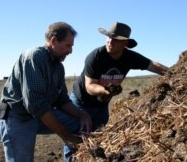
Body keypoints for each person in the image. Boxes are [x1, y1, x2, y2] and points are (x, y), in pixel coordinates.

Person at [65, 22, 169, 159]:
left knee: (97, 139)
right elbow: (90, 86)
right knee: (75, 138)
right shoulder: (96, 56)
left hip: (101, 104)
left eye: (115, 39)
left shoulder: (129, 57)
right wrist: (106, 91)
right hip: (80, 102)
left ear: (125, 43)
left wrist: (173, 72)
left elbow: (152, 65)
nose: (110, 41)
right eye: (108, 37)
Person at [0, 22, 92, 162]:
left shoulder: (58, 67)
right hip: (18, 117)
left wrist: (81, 114)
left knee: (78, 123)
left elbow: (61, 100)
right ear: (53, 41)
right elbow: (36, 104)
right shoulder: (35, 57)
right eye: (68, 45)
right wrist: (66, 136)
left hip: (39, 115)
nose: (71, 51)